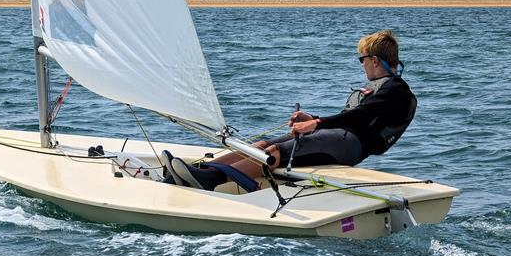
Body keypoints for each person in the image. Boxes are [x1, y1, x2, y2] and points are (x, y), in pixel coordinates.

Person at [163, 29, 417, 191]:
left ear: (374, 60)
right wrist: (313, 119)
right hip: (339, 137)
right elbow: (349, 118)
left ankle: (211, 181)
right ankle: (200, 172)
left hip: (351, 146)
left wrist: (314, 124)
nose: (361, 65)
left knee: (275, 152)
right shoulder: (380, 86)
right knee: (260, 145)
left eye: (362, 59)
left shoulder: (395, 89)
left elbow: (358, 116)